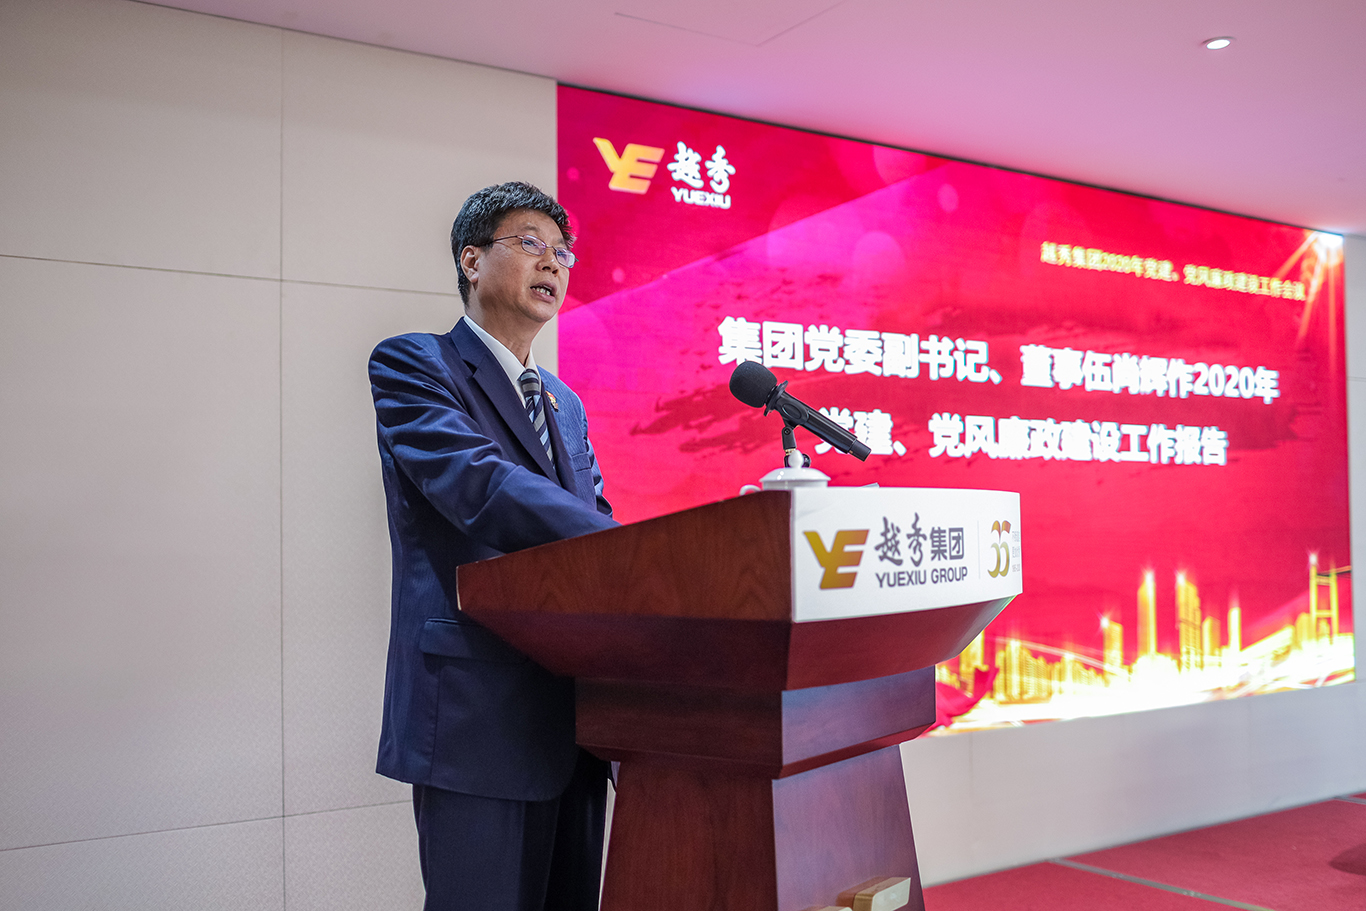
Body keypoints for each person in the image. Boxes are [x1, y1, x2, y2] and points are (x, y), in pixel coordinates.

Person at [368, 182, 618, 911]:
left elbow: (596, 520)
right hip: (477, 718)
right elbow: (481, 487)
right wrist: (638, 546)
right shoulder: (415, 365)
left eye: (563, 251)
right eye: (531, 242)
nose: (553, 263)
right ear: (471, 260)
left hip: (577, 723)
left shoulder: (564, 404)